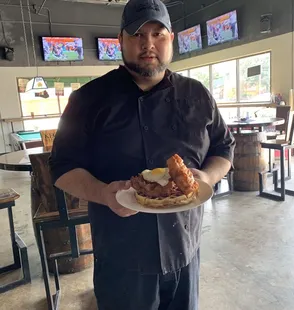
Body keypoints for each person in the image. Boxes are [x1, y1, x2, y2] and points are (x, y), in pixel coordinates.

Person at [49, 0, 235, 309]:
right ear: (120, 41)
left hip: (184, 250)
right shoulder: (87, 99)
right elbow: (62, 166)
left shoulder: (197, 95)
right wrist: (103, 193)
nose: (147, 43)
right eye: (137, 34)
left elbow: (223, 147)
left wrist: (207, 176)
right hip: (121, 256)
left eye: (157, 33)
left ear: (170, 39)